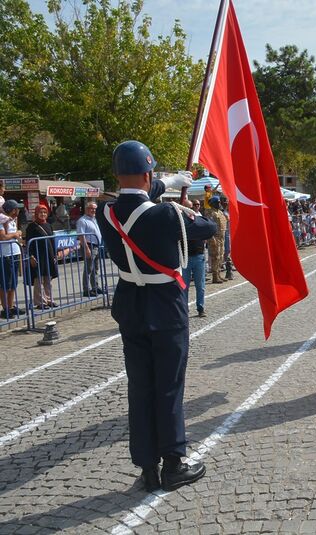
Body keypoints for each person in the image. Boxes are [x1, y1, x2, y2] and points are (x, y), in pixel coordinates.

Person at [97, 140, 216, 492]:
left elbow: (137, 195)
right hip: (164, 305)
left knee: (140, 387)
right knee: (169, 386)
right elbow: (207, 228)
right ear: (149, 173)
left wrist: (172, 180)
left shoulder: (106, 213)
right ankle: (174, 462)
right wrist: (189, 206)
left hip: (131, 304)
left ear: (117, 174)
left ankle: (147, 466)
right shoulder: (168, 214)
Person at [26, 204, 60, 309]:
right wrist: (31, 256)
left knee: (48, 279)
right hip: (38, 255)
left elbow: (52, 240)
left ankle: (49, 300)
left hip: (48, 255)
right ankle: (41, 302)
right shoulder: (32, 226)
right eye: (41, 212)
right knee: (39, 280)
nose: (43, 214)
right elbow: (28, 242)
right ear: (36, 213)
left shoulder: (48, 225)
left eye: (45, 212)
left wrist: (55, 254)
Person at [181, 199, 207, 317]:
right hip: (185, 259)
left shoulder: (198, 219)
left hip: (199, 256)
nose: (191, 209)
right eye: (189, 207)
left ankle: (200, 308)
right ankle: (184, 309)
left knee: (200, 285)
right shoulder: (180, 221)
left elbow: (209, 230)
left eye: (194, 206)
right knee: (184, 286)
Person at [0, 200, 24, 319]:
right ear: (12, 209)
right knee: (5, 283)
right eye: (16, 208)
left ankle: (11, 306)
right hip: (6, 255)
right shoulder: (2, 220)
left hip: (14, 252)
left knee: (13, 283)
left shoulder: (13, 220)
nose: (18, 211)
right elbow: (3, 237)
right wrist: (15, 235)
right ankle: (5, 308)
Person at [76, 202, 104, 297]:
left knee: (95, 268)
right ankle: (86, 289)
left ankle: (95, 287)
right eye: (91, 208)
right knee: (88, 268)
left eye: (95, 209)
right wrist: (86, 248)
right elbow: (81, 235)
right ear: (86, 209)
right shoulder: (82, 220)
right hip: (89, 245)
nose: (93, 210)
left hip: (96, 245)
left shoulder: (94, 219)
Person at [206, 196, 227, 284]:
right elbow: (208, 227)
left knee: (221, 256)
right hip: (215, 238)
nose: (219, 204)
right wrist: (212, 238)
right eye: (217, 202)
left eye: (219, 202)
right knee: (215, 257)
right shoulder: (210, 213)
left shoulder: (220, 213)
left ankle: (218, 274)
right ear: (213, 204)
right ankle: (215, 276)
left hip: (222, 238)